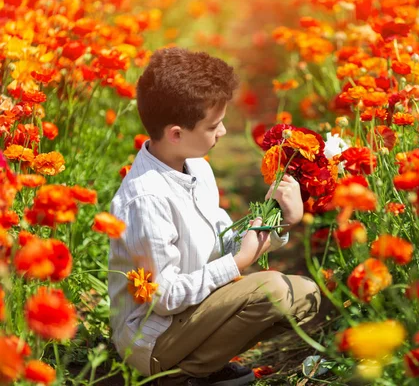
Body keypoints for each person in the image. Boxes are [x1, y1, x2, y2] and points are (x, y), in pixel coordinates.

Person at [107, 47, 322, 386]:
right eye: (214, 125)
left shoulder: (197, 169)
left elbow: (225, 242)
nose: (222, 133)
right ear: (176, 134)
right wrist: (238, 263)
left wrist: (279, 216)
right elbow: (162, 299)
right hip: (152, 339)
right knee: (273, 290)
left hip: (195, 316)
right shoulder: (145, 199)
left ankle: (204, 367)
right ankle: (178, 376)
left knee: (306, 295)